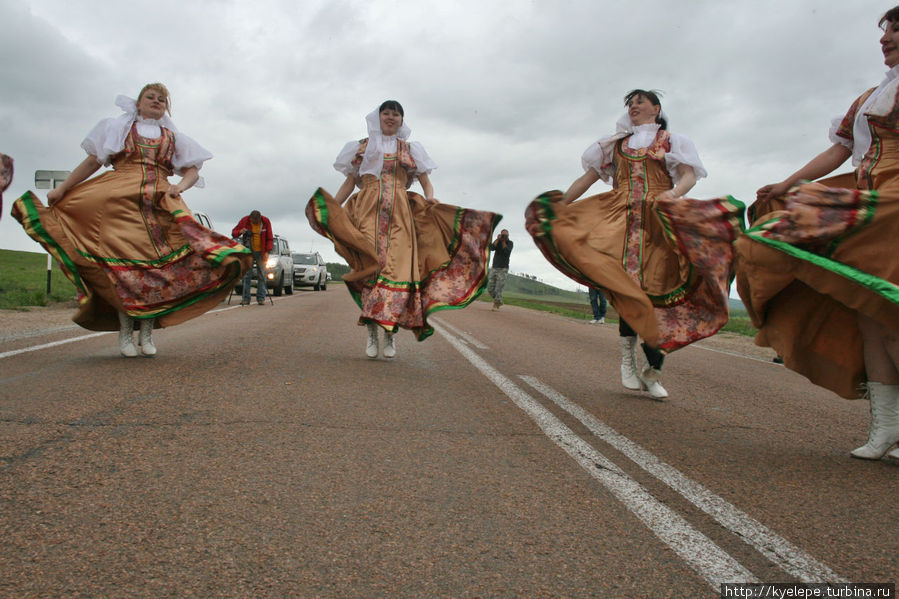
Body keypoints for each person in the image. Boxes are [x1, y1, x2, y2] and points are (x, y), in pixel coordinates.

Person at [737, 6, 899, 460]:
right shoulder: (872, 96)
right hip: (870, 200)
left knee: (891, 319)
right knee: (869, 312)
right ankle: (886, 428)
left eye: (896, 29)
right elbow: (840, 151)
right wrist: (789, 184)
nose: (886, 37)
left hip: (893, 207)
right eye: (885, 29)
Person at [526, 89, 744, 399]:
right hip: (620, 222)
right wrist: (560, 205)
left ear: (656, 108)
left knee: (659, 295)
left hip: (658, 224)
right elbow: (587, 179)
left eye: (640, 101)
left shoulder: (672, 141)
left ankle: (653, 369)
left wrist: (674, 193)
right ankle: (627, 359)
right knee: (630, 292)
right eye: (630, 103)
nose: (634, 106)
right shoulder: (614, 146)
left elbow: (688, 176)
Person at [11, 84, 250, 357]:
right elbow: (92, 162)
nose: (156, 101)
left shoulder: (173, 137)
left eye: (162, 99)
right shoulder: (119, 128)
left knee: (153, 274)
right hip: (118, 206)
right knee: (125, 274)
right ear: (138, 103)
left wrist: (180, 187)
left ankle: (146, 334)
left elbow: (193, 170)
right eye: (151, 97)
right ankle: (126, 334)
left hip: (157, 206)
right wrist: (63, 188)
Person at [306, 100, 500, 359]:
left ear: (401, 119)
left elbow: (425, 181)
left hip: (399, 213)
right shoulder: (361, 147)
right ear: (378, 117)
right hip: (366, 210)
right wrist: (334, 209)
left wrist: (431, 197)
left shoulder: (410, 149)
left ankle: (389, 332)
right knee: (371, 267)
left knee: (394, 269)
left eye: (395, 114)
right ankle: (372, 330)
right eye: (386, 113)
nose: (390, 117)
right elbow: (350, 182)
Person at [232, 210, 273, 305]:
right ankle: (246, 298)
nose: (255, 223)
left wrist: (267, 251)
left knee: (262, 275)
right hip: (248, 251)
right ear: (250, 218)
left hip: (261, 252)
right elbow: (234, 233)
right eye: (253, 222)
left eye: (257, 222)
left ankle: (261, 298)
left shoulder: (265, 221)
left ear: (260, 218)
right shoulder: (245, 220)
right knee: (247, 275)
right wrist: (240, 231)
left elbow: (269, 238)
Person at [488, 229, 513, 310]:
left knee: (499, 288)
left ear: (508, 236)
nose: (504, 237)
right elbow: (491, 248)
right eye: (503, 235)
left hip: (503, 269)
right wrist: (497, 239)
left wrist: (503, 241)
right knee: (490, 289)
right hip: (494, 267)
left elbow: (506, 252)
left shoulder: (510, 243)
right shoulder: (498, 241)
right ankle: (499, 300)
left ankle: (495, 305)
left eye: (505, 235)